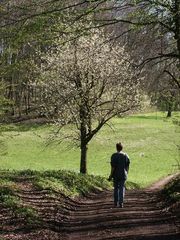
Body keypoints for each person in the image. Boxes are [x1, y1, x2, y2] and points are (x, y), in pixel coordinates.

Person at [108, 142, 130, 208]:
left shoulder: (113, 156)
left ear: (116, 148)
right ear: (122, 148)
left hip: (116, 175)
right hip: (123, 174)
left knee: (116, 188)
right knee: (121, 188)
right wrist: (127, 173)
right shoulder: (126, 155)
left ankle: (115, 202)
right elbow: (127, 166)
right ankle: (121, 203)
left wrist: (110, 175)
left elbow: (113, 167)